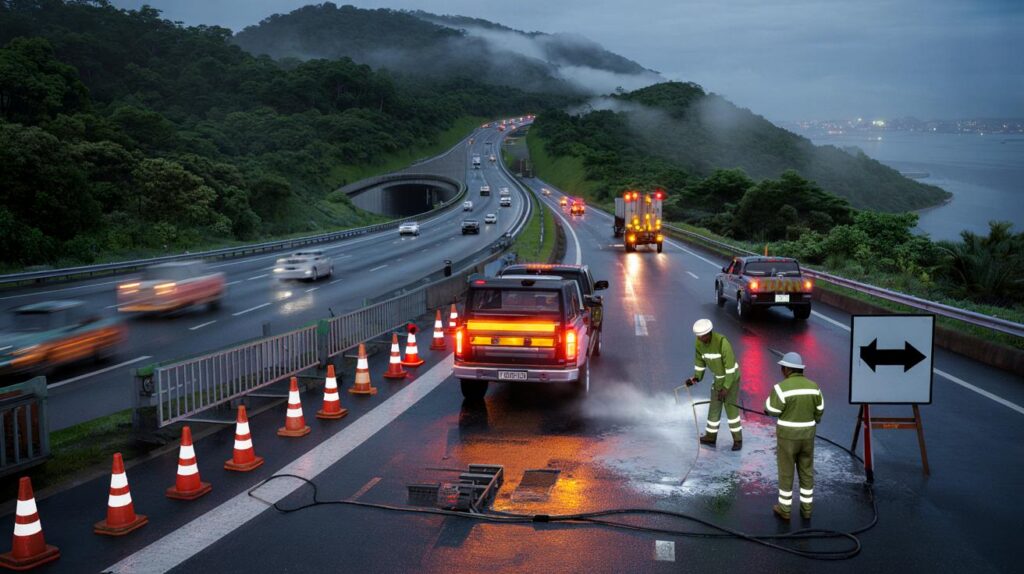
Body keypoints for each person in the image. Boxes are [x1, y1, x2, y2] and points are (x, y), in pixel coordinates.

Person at [764, 352, 824, 521]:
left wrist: (768, 409)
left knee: (786, 472)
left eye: (782, 367)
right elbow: (819, 409)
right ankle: (806, 510)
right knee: (806, 472)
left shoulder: (781, 388)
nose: (781, 370)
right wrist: (814, 419)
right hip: (808, 437)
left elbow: (772, 410)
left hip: (788, 438)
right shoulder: (814, 387)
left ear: (787, 369)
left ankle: (785, 509)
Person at [684, 319, 742, 450]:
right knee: (714, 408)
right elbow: (700, 362)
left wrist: (726, 388)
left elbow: (730, 368)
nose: (701, 339)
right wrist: (696, 378)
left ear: (709, 333)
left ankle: (738, 439)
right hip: (718, 379)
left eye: (703, 336)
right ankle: (711, 437)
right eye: (699, 336)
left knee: (730, 408)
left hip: (731, 378)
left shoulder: (722, 342)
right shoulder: (699, 343)